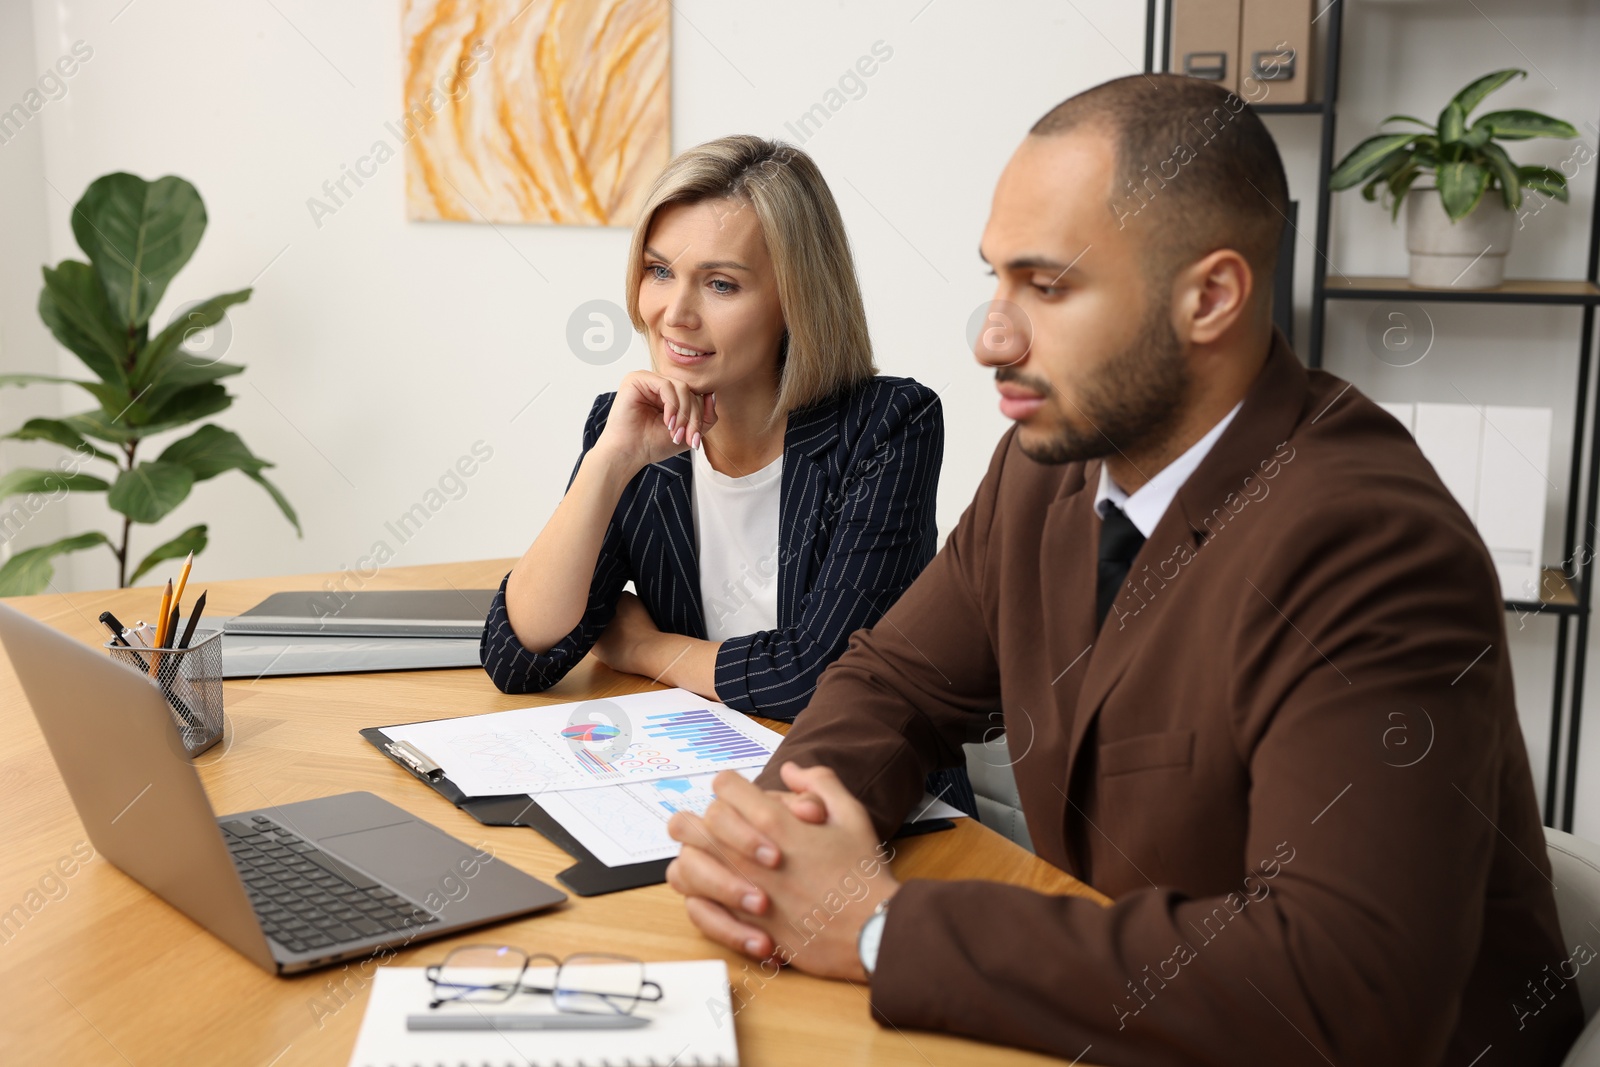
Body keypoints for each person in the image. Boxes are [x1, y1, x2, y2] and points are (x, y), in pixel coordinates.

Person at [661, 76, 1583, 1066]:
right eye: (996, 279)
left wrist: (885, 928)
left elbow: (1345, 989)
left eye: (1047, 287)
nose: (990, 337)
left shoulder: (1371, 543)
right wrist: (782, 848)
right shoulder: (1045, 465)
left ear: (1210, 296)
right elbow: (895, 680)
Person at [480, 135, 976, 816]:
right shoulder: (629, 427)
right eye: (658, 271)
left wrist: (646, 646)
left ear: (795, 301)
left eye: (720, 284)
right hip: (704, 795)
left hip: (873, 811)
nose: (675, 313)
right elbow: (519, 659)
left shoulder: (888, 425)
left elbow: (823, 680)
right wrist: (608, 464)